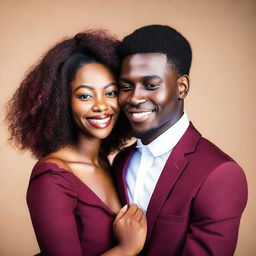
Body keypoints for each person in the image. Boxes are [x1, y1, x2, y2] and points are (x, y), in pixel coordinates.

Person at [6, 30, 147, 256]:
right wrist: (126, 248)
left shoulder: (106, 162)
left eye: (110, 93)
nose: (102, 105)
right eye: (85, 96)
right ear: (61, 103)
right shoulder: (52, 178)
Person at [113, 24, 248, 256]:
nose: (134, 98)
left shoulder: (220, 174)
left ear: (182, 87)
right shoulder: (121, 161)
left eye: (151, 85)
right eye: (126, 86)